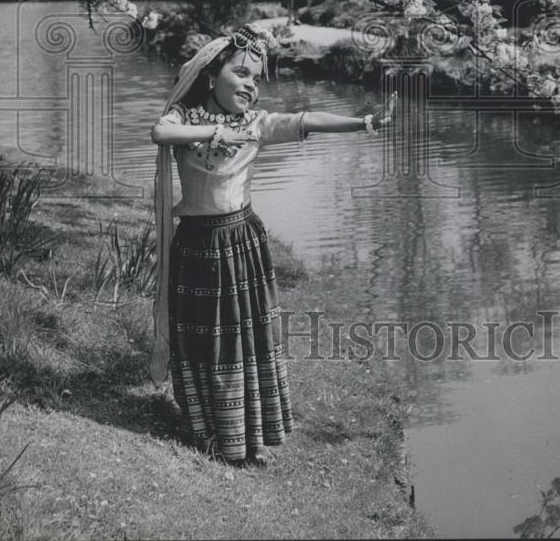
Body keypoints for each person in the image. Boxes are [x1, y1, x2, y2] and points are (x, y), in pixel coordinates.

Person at [150, 25, 397, 466]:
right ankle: (209, 431)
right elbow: (159, 134)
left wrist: (365, 122)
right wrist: (211, 134)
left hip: (242, 240)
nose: (250, 85)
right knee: (207, 336)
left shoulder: (256, 124)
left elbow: (306, 121)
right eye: (241, 73)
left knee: (248, 334)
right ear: (210, 75)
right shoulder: (185, 118)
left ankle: (251, 435)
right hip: (197, 245)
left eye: (257, 78)